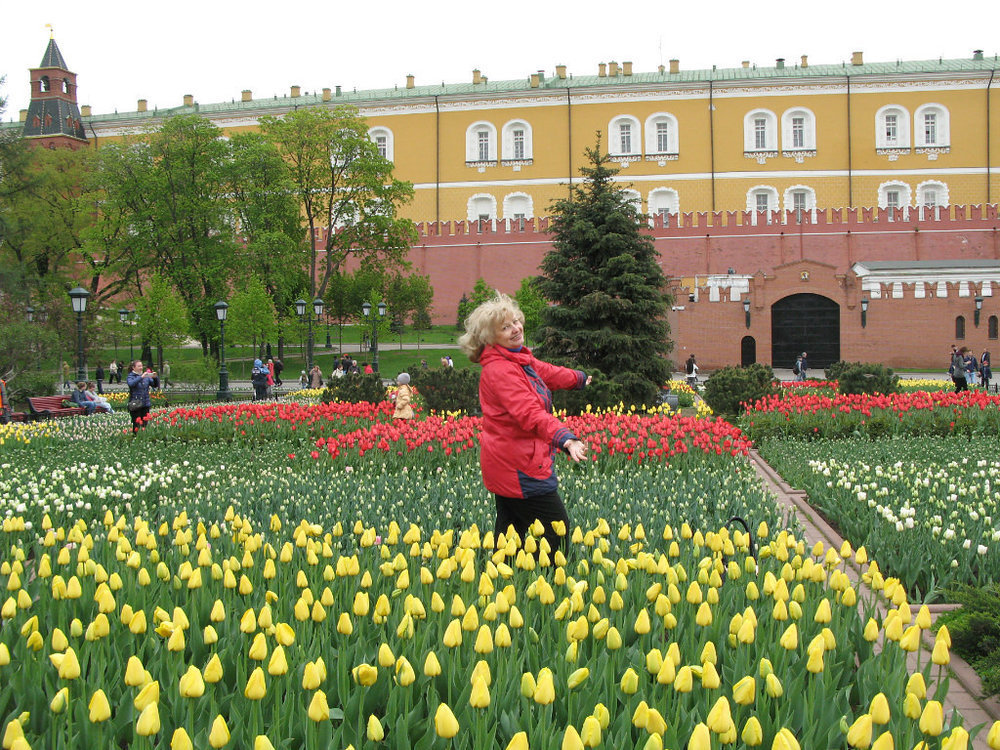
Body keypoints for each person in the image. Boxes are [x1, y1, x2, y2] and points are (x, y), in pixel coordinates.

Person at [458, 293, 590, 557]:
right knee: (556, 530)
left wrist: (579, 378)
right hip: (519, 467)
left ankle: (499, 586)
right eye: (505, 327)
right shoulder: (501, 371)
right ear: (489, 337)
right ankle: (553, 584)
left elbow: (547, 372)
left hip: (510, 462)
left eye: (516, 321)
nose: (516, 328)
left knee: (511, 536)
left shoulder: (516, 359)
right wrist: (566, 438)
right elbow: (530, 414)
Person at [126, 360, 158, 434]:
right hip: (135, 404)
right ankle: (135, 438)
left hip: (145, 403)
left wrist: (155, 378)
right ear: (134, 368)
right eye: (139, 366)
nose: (141, 367)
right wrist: (141, 377)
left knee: (144, 424)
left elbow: (154, 385)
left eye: (141, 366)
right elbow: (131, 384)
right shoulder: (131, 376)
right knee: (136, 424)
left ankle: (143, 438)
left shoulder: (146, 376)